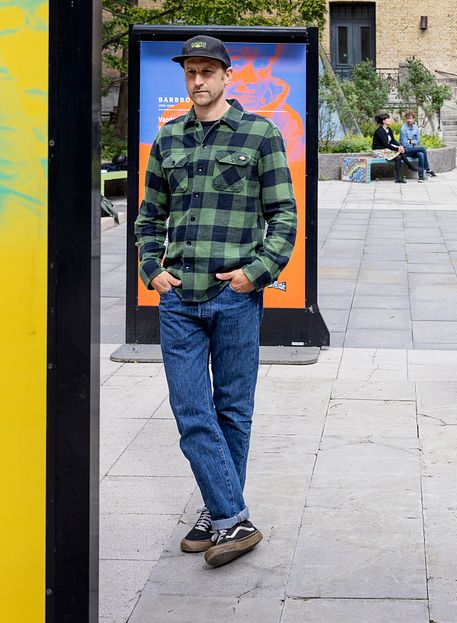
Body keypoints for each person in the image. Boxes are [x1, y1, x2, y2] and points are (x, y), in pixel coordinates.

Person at [134, 35, 297, 569]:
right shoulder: (170, 139)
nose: (198, 81)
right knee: (191, 410)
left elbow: (284, 218)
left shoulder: (260, 134)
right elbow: (149, 217)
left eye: (207, 71)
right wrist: (152, 270)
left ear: (228, 76)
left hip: (234, 297)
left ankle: (216, 512)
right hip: (179, 298)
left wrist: (254, 275)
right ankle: (234, 517)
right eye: (190, 72)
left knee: (232, 409)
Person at [399, 111, 437, 181]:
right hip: (404, 150)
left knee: (421, 154)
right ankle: (427, 168)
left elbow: (418, 141)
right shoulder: (403, 129)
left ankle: (421, 176)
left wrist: (411, 141)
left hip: (413, 149)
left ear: (413, 119)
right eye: (407, 119)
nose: (408, 120)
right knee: (422, 148)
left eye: (410, 118)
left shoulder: (416, 128)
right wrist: (413, 142)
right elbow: (404, 144)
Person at [372, 112, 407, 184]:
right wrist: (397, 149)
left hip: (386, 150)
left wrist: (400, 146)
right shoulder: (379, 131)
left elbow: (393, 140)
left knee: (398, 157)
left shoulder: (389, 129)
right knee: (398, 154)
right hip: (378, 151)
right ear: (384, 121)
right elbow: (386, 144)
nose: (390, 120)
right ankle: (410, 166)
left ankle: (398, 178)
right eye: (388, 119)